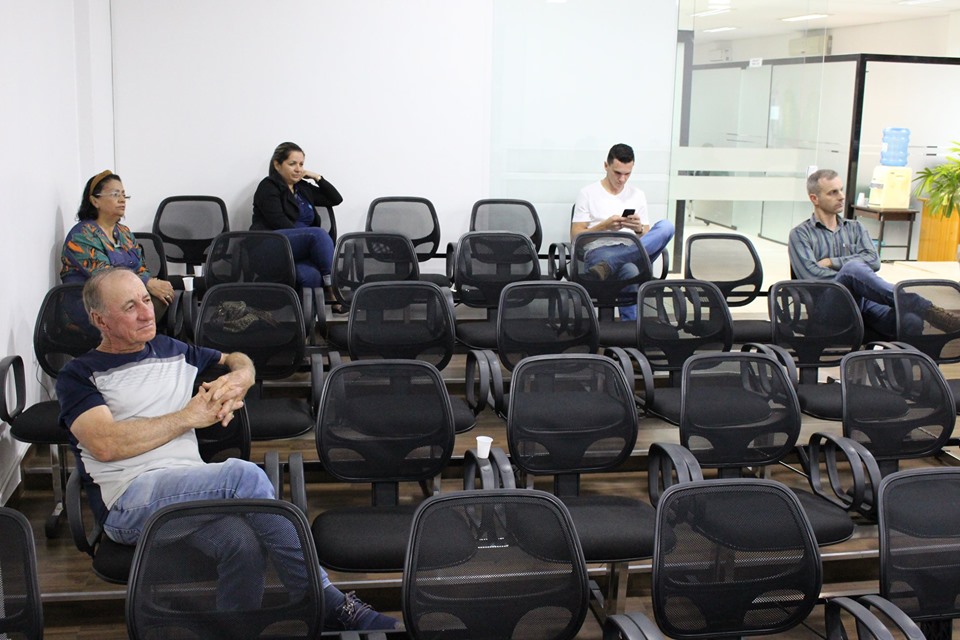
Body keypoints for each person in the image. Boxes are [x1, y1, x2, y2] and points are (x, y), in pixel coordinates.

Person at [56, 268, 400, 631]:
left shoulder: (176, 351)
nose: (146, 313)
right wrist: (189, 417)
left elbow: (235, 357)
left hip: (186, 493)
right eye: (130, 307)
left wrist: (242, 376)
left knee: (243, 542)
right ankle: (324, 600)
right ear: (100, 320)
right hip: (129, 504)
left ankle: (235, 631)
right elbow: (106, 444)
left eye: (146, 300)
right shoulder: (79, 375)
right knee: (243, 475)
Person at [789, 168, 960, 337]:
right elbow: (811, 275)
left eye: (841, 190)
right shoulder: (800, 234)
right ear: (814, 198)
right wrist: (850, 276)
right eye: (833, 192)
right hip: (828, 308)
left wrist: (831, 262)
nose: (841, 196)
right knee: (853, 269)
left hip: (866, 302)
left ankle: (908, 349)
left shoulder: (855, 228)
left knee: (910, 321)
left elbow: (873, 260)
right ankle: (923, 306)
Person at [572, 143, 675, 321]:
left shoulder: (637, 194)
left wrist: (639, 229)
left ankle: (611, 263)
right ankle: (630, 331)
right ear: (606, 166)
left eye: (627, 174)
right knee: (630, 269)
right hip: (600, 252)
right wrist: (605, 226)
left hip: (628, 248)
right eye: (617, 173)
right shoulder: (587, 193)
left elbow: (647, 237)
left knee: (667, 226)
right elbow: (575, 237)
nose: (622, 179)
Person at [61, 170, 175, 318]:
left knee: (166, 297)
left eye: (124, 195)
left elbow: (141, 267)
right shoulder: (82, 236)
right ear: (95, 201)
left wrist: (149, 285)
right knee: (151, 306)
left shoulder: (124, 232)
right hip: (92, 306)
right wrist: (147, 283)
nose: (122, 200)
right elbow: (107, 278)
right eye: (115, 194)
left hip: (126, 297)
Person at [252, 142, 345, 313]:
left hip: (301, 247)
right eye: (292, 164)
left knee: (311, 276)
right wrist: (310, 246)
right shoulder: (268, 187)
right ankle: (334, 292)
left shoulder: (302, 188)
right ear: (277, 165)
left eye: (301, 164)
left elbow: (335, 199)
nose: (298, 169)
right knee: (318, 234)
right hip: (272, 244)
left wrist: (317, 177)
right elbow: (279, 222)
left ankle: (306, 325)